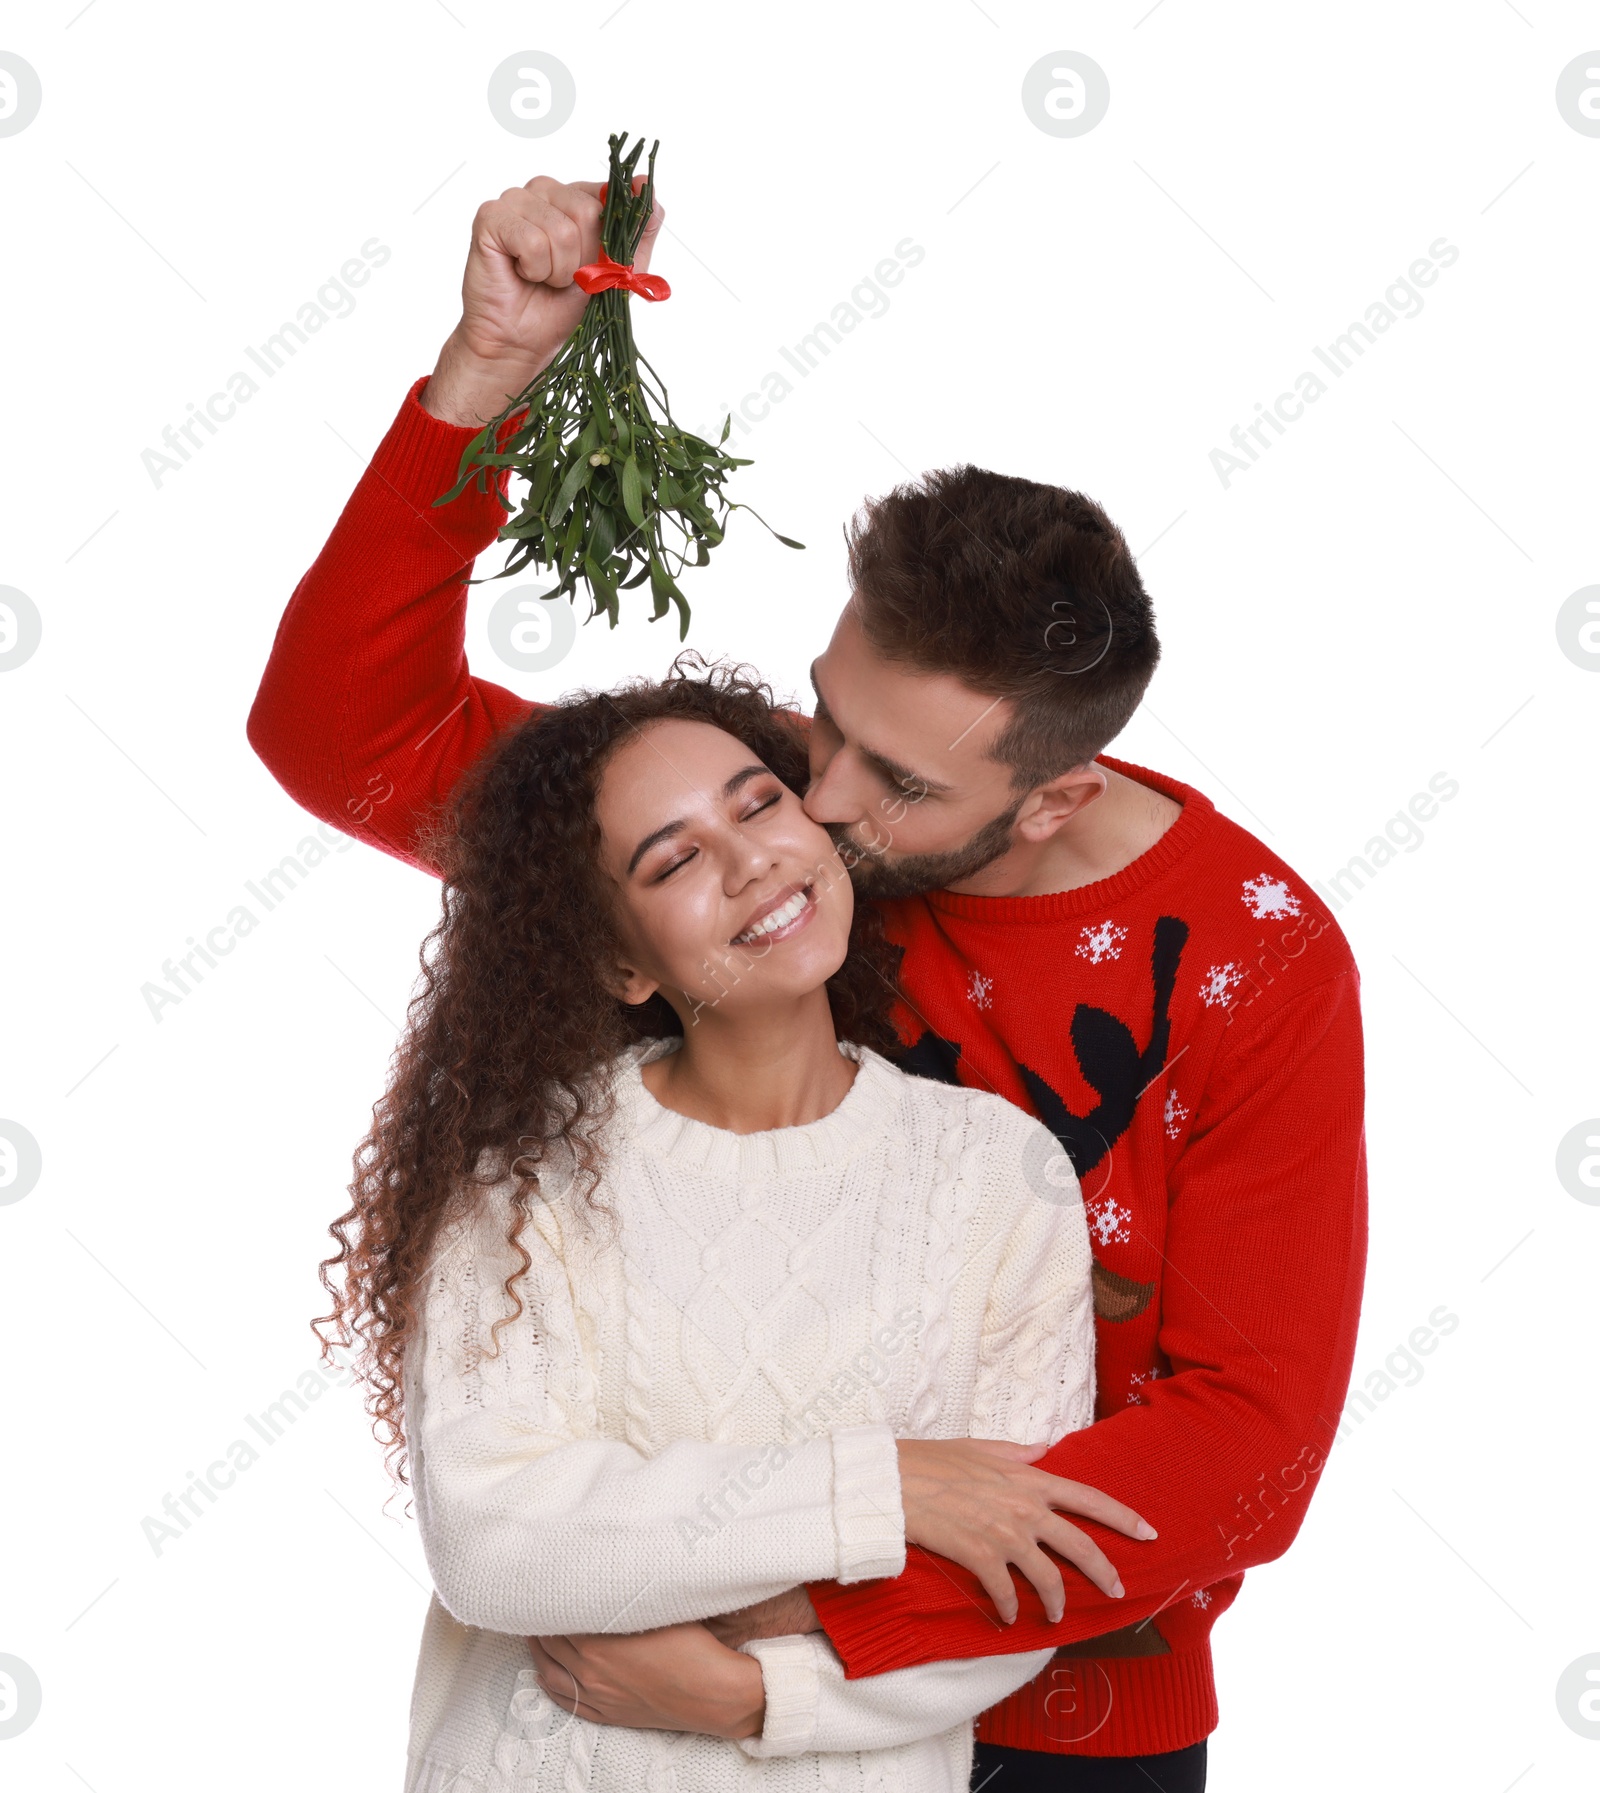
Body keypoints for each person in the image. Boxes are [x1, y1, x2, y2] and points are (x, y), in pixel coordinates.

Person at [249, 173, 1368, 1791]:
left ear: (1055, 791)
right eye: (824, 718)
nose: (826, 800)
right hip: (637, 1692)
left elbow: (1246, 1445)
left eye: (895, 778)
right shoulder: (754, 841)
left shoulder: (1259, 955)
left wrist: (780, 1631)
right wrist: (487, 377)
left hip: (1044, 1720)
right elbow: (353, 741)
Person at [319, 661, 1133, 1791]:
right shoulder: (529, 1178)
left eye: (759, 802)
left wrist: (760, 1697)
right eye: (676, 857)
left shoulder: (998, 1173)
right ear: (619, 962)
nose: (751, 858)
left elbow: (1014, 1585)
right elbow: (494, 1538)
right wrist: (888, 1490)